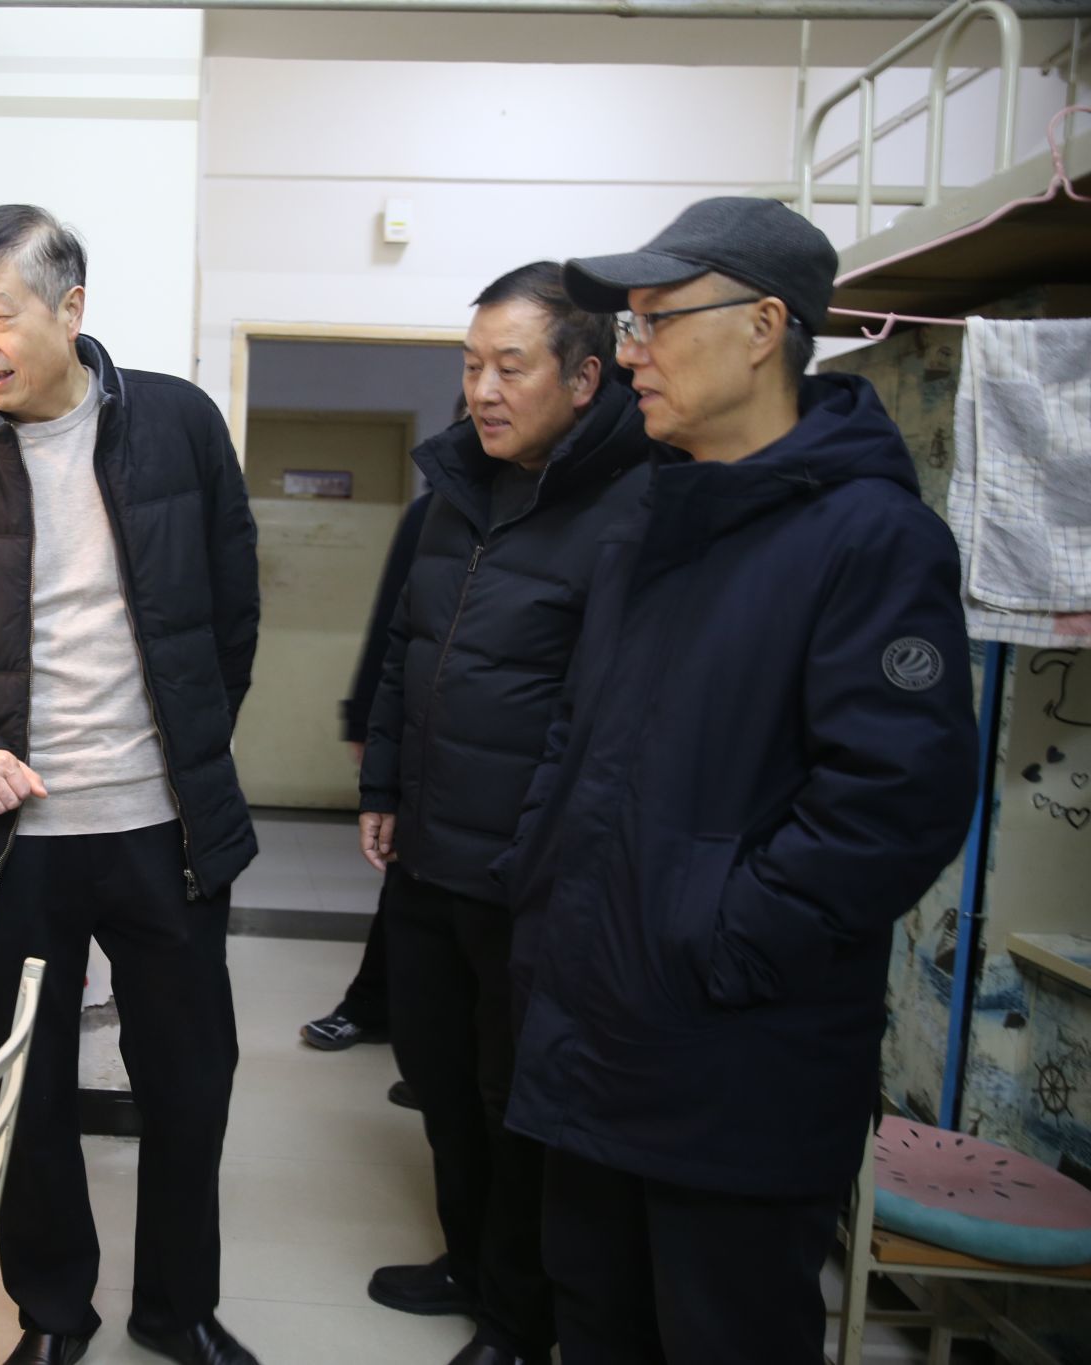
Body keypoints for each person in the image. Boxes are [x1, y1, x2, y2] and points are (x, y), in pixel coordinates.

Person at [499, 198, 978, 1364]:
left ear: (763, 327)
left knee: (722, 1333)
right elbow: (578, 735)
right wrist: (542, 883)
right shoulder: (648, 519)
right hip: (593, 1032)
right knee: (593, 1321)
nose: (629, 353)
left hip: (731, 1060)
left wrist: (718, 942)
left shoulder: (867, 537)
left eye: (656, 321)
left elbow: (893, 802)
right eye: (626, 324)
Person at [0, 205, 260, 1365]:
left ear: (69, 309)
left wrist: (185, 747)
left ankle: (178, 1310)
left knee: (189, 1081)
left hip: (164, 829)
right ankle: (51, 1314)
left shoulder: (179, 425)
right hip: (11, 841)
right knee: (25, 1094)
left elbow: (230, 609)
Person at [358, 263, 657, 1365]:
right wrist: (384, 784)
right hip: (431, 850)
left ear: (584, 378)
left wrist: (539, 848)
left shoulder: (634, 507)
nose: (481, 391)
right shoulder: (455, 492)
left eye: (509, 368)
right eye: (471, 365)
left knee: (513, 1099)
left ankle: (519, 1321)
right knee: (437, 1079)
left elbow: (609, 715)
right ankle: (469, 1263)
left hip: (532, 874)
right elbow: (408, 649)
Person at [299, 491, 430, 1061]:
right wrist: (364, 719)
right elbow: (393, 631)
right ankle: (371, 1008)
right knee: (408, 879)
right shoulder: (437, 511)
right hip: (433, 743)